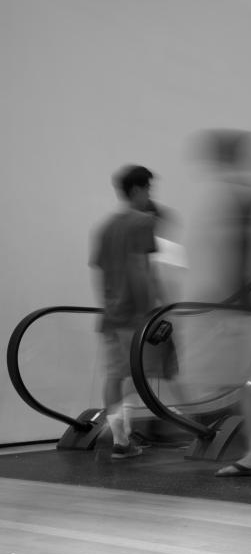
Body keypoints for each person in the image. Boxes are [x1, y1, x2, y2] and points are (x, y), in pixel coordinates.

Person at [185, 130, 251, 477]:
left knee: (239, 377)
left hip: (238, 305)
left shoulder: (227, 194)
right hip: (248, 303)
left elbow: (227, 253)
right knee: (246, 380)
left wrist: (221, 301)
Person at [89, 165, 158, 460]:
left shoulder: (104, 226)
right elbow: (139, 268)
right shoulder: (142, 222)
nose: (150, 195)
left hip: (110, 314)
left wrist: (108, 303)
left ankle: (120, 438)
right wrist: (149, 310)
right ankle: (124, 432)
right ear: (136, 190)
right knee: (137, 374)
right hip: (133, 314)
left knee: (114, 375)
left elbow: (100, 270)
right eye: (148, 189)